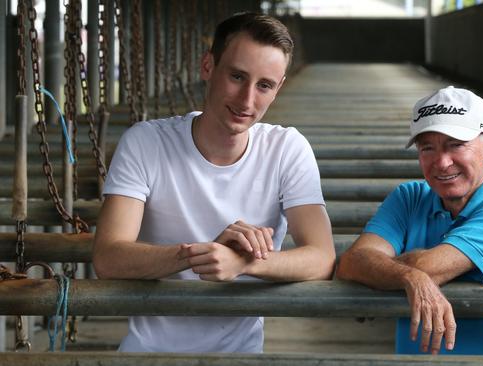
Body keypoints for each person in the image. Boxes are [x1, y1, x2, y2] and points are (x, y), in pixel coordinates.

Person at [92, 13, 335, 353]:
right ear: (208, 66)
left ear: (278, 88)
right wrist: (200, 254)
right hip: (145, 355)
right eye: (237, 76)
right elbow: (108, 257)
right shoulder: (146, 142)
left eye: (264, 85)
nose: (247, 100)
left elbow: (322, 257)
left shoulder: (287, 149)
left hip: (240, 355)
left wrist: (244, 262)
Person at [336, 86, 483, 356]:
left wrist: (387, 273)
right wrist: (409, 276)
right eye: (427, 148)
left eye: (456, 145)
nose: (441, 162)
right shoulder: (409, 197)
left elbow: (426, 265)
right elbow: (351, 262)